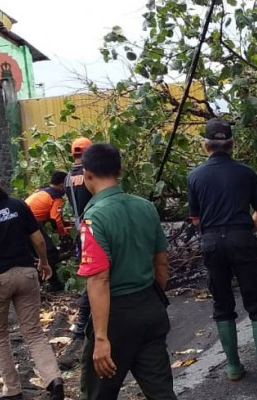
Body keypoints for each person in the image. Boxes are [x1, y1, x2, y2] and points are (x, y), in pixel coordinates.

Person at [186, 118, 257, 385]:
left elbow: (195, 219)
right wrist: (246, 229)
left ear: (205, 146)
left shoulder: (194, 176)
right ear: (232, 145)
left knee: (222, 303)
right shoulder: (246, 173)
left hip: (211, 243)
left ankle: (233, 367)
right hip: (242, 239)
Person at [77, 143, 177, 400]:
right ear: (120, 170)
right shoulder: (145, 207)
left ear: (87, 174)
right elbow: (162, 264)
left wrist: (101, 338)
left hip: (115, 318)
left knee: (98, 393)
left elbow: (98, 279)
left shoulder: (94, 218)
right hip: (150, 308)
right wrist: (152, 298)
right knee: (162, 392)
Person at [0, 163, 64, 400]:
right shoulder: (18, 205)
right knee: (34, 332)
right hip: (26, 274)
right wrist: (44, 262)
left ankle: (13, 389)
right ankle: (53, 378)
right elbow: (39, 240)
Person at [58, 137, 93, 370]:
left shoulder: (68, 178)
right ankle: (82, 324)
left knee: (92, 274)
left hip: (81, 228)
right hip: (95, 227)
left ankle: (84, 323)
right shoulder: (91, 175)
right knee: (96, 277)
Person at [25, 170, 70, 292]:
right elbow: (55, 218)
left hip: (22, 221)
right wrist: (64, 234)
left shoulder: (42, 190)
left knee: (36, 255)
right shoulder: (56, 197)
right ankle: (48, 284)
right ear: (62, 185)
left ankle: (51, 284)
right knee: (50, 253)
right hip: (29, 223)